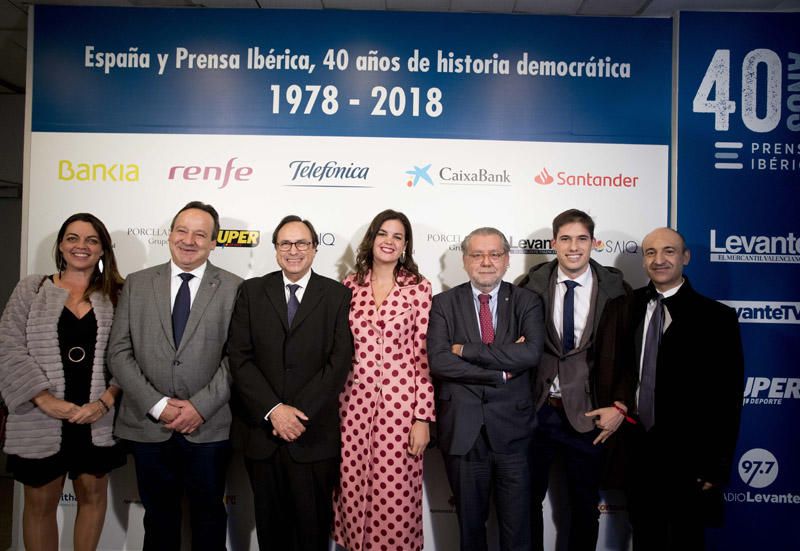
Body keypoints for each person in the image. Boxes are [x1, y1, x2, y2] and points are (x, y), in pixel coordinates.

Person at [108, 201, 242, 551]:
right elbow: (118, 353)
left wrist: (199, 406)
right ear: (169, 235)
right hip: (149, 425)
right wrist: (156, 405)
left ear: (214, 243)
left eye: (201, 234)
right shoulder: (137, 284)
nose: (189, 240)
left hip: (209, 426)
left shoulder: (236, 288)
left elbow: (238, 359)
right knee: (158, 518)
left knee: (209, 517)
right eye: (182, 230)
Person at [0, 213, 125, 551]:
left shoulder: (118, 294)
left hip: (96, 417)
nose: (80, 246)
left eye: (91, 240)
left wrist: (105, 402)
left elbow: (128, 355)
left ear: (103, 250)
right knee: (39, 506)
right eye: (72, 238)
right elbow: (9, 346)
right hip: (39, 417)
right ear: (60, 245)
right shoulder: (32, 288)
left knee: (93, 498)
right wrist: (43, 399)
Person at [228, 214, 353, 551]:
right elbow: (239, 358)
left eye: (301, 243)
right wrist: (274, 411)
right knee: (272, 534)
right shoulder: (252, 291)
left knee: (312, 534)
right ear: (275, 250)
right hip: (262, 435)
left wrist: (296, 414)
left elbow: (338, 362)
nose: (293, 250)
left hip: (313, 436)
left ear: (314, 249)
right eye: (286, 243)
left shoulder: (337, 295)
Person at [620, 227, 744, 550]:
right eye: (650, 252)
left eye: (669, 251)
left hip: (690, 459)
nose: (659, 260)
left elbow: (727, 399)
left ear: (685, 257)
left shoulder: (717, 318)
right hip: (638, 452)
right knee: (645, 538)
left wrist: (716, 466)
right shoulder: (624, 308)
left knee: (687, 540)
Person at [519, 209, 632, 551]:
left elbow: (632, 355)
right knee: (525, 504)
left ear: (594, 243)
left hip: (588, 414)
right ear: (553, 243)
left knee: (584, 507)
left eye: (581, 238)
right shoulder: (531, 285)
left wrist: (620, 405)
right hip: (536, 412)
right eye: (565, 239)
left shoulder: (616, 289)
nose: (573, 247)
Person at [428, 227, 544, 551]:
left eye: (494, 254)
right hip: (463, 432)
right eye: (477, 254)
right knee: (470, 529)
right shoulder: (443, 303)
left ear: (507, 260)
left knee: (517, 529)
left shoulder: (527, 301)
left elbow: (530, 353)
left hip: (514, 432)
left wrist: (465, 350)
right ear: (464, 261)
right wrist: (501, 372)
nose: (486, 262)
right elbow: (438, 361)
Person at [333, 209, 436, 551]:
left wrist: (423, 417)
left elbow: (423, 355)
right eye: (383, 234)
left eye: (397, 236)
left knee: (396, 499)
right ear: (371, 238)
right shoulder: (349, 285)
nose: (389, 242)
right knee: (350, 491)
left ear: (406, 245)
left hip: (401, 408)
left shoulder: (419, 288)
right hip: (352, 407)